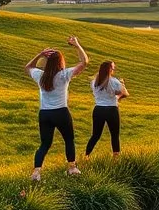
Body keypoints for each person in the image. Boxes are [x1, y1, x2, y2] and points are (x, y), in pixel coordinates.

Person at [25, 36, 89, 181]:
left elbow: (28, 67)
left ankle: (36, 173)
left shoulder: (41, 75)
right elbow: (84, 62)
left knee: (45, 144)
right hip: (61, 112)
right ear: (61, 62)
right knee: (69, 139)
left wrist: (40, 54)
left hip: (45, 114)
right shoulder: (64, 75)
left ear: (47, 62)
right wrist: (77, 45)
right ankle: (72, 168)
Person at [86, 60, 129, 157]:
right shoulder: (114, 82)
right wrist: (122, 85)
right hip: (111, 110)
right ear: (110, 70)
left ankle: (86, 156)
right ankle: (116, 158)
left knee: (95, 135)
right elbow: (125, 93)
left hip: (98, 110)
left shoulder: (94, 82)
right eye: (113, 68)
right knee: (114, 135)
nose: (114, 70)